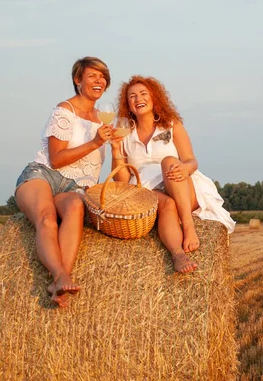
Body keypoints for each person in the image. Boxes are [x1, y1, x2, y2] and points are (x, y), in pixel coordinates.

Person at [15, 57, 115, 307]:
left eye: (102, 76)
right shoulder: (64, 110)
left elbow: (96, 166)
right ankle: (59, 275)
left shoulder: (104, 120)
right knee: (47, 219)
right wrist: (95, 142)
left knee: (75, 208)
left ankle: (60, 279)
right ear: (77, 80)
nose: (98, 80)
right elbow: (57, 159)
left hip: (74, 187)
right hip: (44, 175)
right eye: (92, 75)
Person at [112, 75, 235, 274]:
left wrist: (185, 169)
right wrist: (116, 150)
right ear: (128, 104)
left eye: (143, 93)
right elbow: (122, 180)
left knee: (169, 161)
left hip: (180, 184)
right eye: (132, 96)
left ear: (154, 98)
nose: (138, 99)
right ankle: (178, 254)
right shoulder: (125, 134)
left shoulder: (171, 124)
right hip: (147, 192)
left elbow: (190, 160)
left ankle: (188, 226)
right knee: (167, 205)